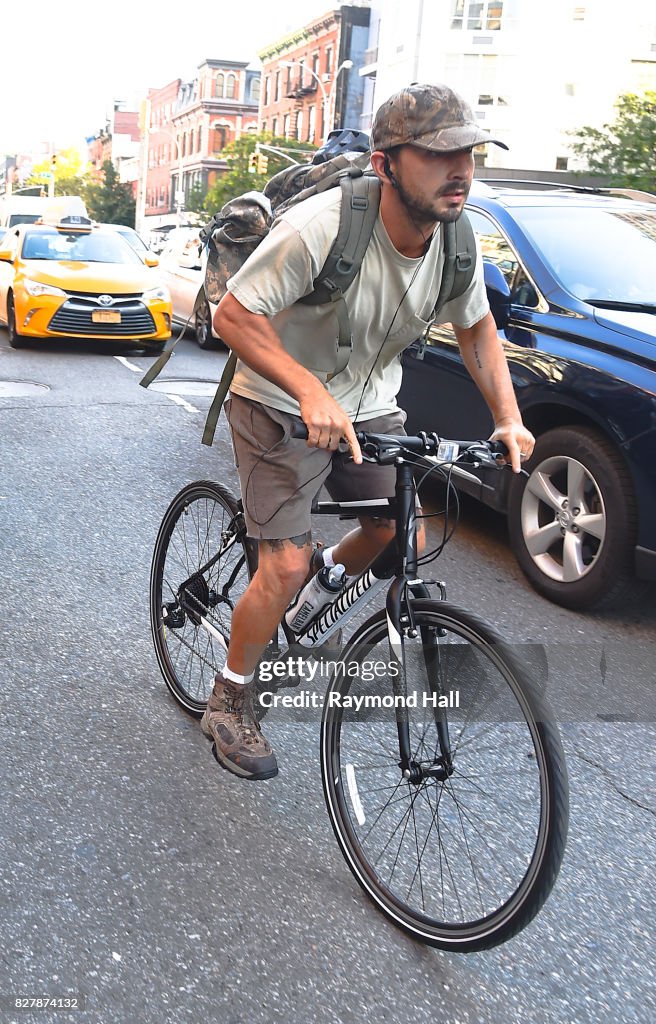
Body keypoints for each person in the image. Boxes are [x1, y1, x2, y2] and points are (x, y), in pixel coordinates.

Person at [206, 82, 535, 781]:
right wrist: (306, 389)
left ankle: (322, 579)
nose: (462, 170)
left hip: (369, 402)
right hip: (276, 399)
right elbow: (233, 317)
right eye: (441, 154)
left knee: (401, 532)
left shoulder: (457, 240)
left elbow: (477, 331)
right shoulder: (323, 226)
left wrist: (508, 416)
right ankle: (229, 698)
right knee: (283, 564)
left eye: (470, 153)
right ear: (387, 165)